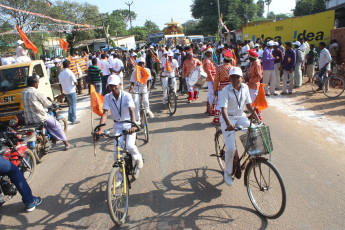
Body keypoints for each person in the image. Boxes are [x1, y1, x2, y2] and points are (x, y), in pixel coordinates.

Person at [95, 75, 143, 179]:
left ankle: (138, 158)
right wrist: (100, 129)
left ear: (120, 85)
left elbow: (131, 110)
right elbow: (104, 113)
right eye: (110, 86)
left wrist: (133, 125)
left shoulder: (127, 96)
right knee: (117, 153)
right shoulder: (108, 97)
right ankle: (119, 179)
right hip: (117, 125)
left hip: (129, 123)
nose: (113, 88)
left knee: (130, 146)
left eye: (115, 86)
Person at [218, 67, 259, 186]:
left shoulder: (245, 87)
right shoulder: (225, 90)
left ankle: (252, 154)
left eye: (238, 77)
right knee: (231, 148)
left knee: (255, 130)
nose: (235, 79)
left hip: (240, 116)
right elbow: (223, 108)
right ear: (229, 78)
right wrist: (228, 123)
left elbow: (248, 105)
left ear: (242, 77)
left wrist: (256, 117)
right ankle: (227, 172)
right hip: (228, 118)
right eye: (233, 77)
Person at [22, 76, 75, 150]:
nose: (38, 84)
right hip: (40, 117)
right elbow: (47, 103)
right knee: (57, 125)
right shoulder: (36, 92)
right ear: (35, 84)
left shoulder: (23, 92)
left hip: (29, 119)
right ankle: (66, 144)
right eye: (38, 82)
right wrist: (53, 103)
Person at [213, 50, 236, 125]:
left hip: (222, 88)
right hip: (231, 87)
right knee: (230, 103)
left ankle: (217, 119)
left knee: (220, 103)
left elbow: (216, 80)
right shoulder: (233, 68)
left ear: (223, 59)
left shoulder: (219, 68)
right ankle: (229, 119)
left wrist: (215, 89)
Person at [129, 57, 154, 125]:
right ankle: (138, 119)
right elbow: (132, 82)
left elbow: (149, 80)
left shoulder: (147, 70)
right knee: (136, 103)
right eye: (140, 63)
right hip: (136, 88)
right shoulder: (135, 72)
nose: (141, 65)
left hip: (144, 88)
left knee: (145, 100)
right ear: (137, 64)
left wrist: (149, 88)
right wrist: (131, 87)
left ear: (144, 64)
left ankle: (148, 111)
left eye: (142, 63)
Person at [58, 60, 80, 125]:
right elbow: (75, 82)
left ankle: (70, 118)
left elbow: (60, 84)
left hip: (66, 91)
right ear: (68, 65)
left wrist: (62, 92)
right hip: (71, 90)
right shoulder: (70, 72)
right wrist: (76, 85)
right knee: (73, 105)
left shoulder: (61, 73)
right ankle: (73, 119)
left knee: (70, 104)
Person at [203, 47, 216, 115]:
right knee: (212, 94)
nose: (210, 54)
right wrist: (212, 80)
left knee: (209, 94)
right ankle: (211, 110)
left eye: (211, 53)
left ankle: (208, 109)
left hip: (210, 78)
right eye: (209, 53)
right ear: (206, 53)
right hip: (210, 78)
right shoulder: (207, 61)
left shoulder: (207, 60)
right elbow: (208, 71)